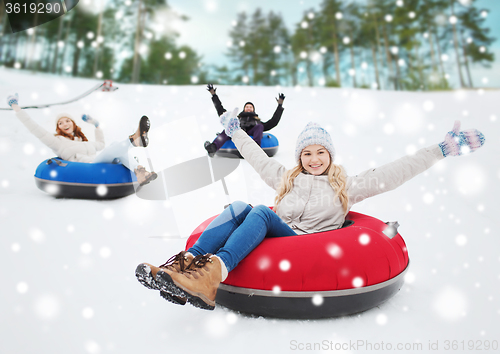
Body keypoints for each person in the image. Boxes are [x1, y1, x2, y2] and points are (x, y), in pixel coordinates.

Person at [136, 107, 485, 310]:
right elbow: (256, 157)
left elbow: (393, 173)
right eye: (307, 153)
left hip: (303, 244)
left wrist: (440, 150)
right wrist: (234, 133)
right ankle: (183, 266)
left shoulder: (345, 185)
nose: (313, 159)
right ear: (299, 157)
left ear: (330, 155)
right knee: (240, 205)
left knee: (259, 212)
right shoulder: (286, 178)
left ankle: (215, 273)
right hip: (270, 237)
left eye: (320, 152)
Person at [7, 93, 157, 186]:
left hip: (98, 162)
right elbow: (34, 128)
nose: (64, 124)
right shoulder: (57, 141)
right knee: (114, 146)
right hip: (90, 168)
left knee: (114, 147)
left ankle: (140, 172)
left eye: (67, 121)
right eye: (60, 123)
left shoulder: (82, 141)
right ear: (58, 127)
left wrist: (96, 125)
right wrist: (15, 107)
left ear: (73, 123)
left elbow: (100, 145)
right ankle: (133, 140)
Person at [203, 84, 285, 157]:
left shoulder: (257, 122)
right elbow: (221, 112)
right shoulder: (237, 119)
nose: (248, 108)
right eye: (247, 107)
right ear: (244, 109)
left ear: (253, 110)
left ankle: (255, 150)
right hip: (238, 131)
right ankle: (213, 148)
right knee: (228, 127)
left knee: (260, 127)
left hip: (253, 132)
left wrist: (280, 106)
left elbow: (273, 122)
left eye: (250, 107)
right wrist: (214, 95)